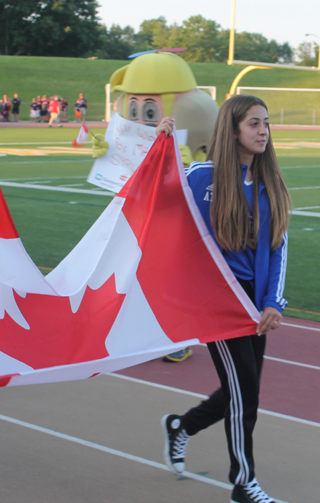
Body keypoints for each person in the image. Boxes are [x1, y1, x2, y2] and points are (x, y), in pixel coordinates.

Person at [158, 95, 290, 503]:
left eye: (265, 123)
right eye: (254, 123)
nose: (263, 130)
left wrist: (273, 302)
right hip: (217, 300)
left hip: (254, 302)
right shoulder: (203, 176)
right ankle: (243, 483)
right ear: (232, 129)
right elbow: (155, 196)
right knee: (245, 393)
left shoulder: (269, 185)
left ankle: (183, 426)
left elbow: (279, 247)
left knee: (241, 389)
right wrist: (159, 148)